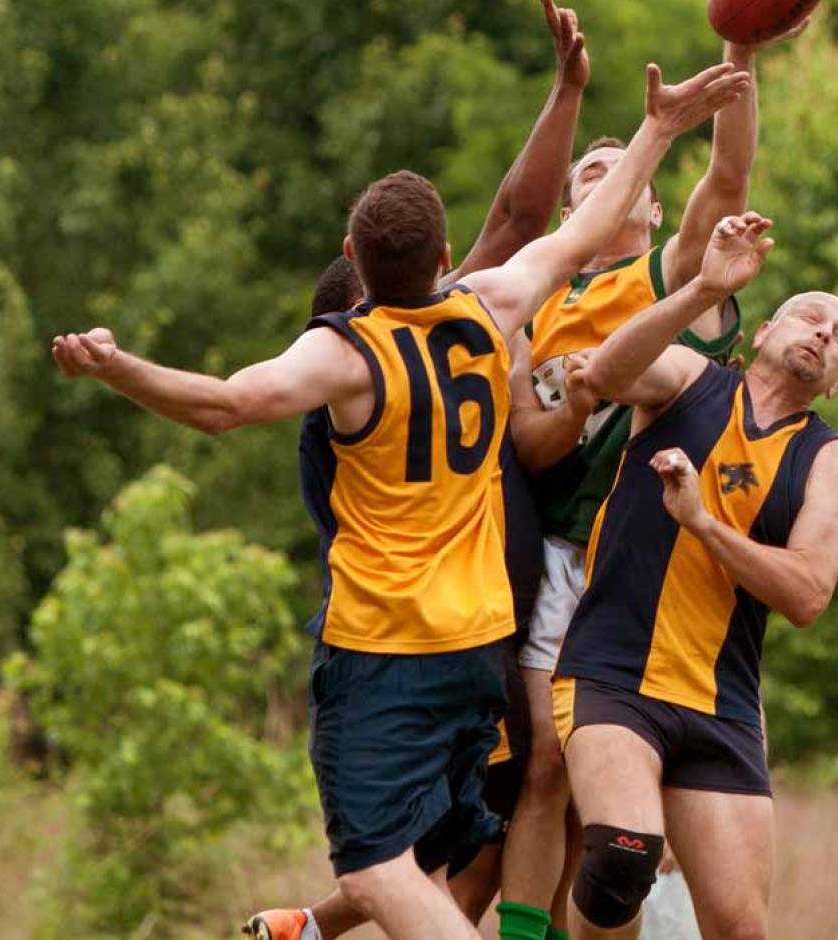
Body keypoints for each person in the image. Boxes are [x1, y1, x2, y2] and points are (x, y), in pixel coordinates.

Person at [49, 61, 750, 940]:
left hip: (385, 648)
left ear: (353, 260)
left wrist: (115, 367)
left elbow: (223, 405)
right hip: (480, 644)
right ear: (449, 258)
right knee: (447, 853)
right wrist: (659, 130)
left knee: (376, 870)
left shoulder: (347, 357)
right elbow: (582, 232)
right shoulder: (491, 307)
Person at [245, 2, 589, 933]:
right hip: (434, 637)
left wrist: (565, 96)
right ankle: (312, 923)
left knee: (449, 857)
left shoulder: (439, 321)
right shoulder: (361, 382)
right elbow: (522, 226)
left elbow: (521, 217)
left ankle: (306, 927)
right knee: (450, 864)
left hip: (485, 623)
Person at [497, 23, 806, 940]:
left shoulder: (662, 275)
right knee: (549, 768)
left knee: (626, 822)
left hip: (654, 568)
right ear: (568, 213)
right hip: (561, 548)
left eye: (614, 168)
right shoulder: (532, 304)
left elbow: (730, 184)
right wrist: (576, 392)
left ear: (654, 211)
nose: (599, 178)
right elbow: (534, 450)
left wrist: (741, 54)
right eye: (584, 176)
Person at [551, 211, 838, 940]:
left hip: (721, 704)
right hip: (614, 674)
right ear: (760, 333)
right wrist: (702, 291)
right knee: (623, 860)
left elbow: (809, 595)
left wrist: (703, 523)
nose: (823, 331)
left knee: (740, 929)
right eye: (809, 316)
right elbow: (603, 372)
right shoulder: (691, 378)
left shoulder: (828, 458)